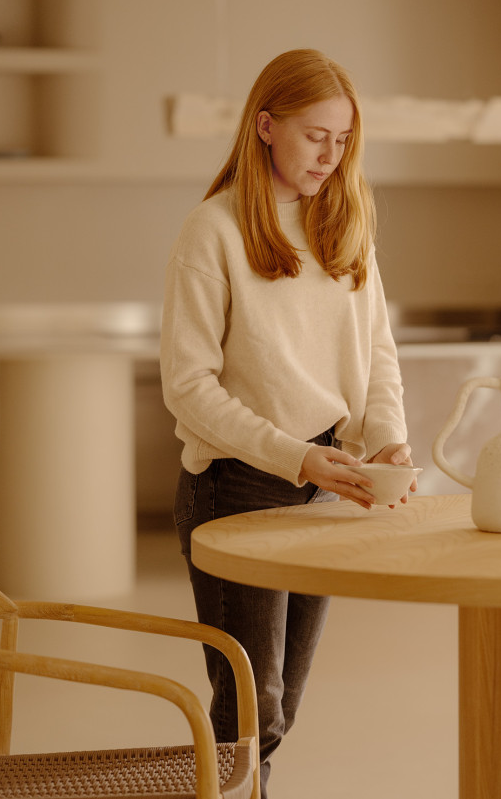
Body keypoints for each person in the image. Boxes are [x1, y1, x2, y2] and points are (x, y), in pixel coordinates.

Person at [160, 48, 417, 797]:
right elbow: (189, 389)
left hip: (323, 483)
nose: (331, 156)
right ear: (265, 126)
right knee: (251, 706)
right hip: (236, 487)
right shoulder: (212, 233)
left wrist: (386, 436)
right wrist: (293, 458)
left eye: (343, 140)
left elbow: (377, 352)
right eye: (315, 136)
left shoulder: (347, 225)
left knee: (280, 707)